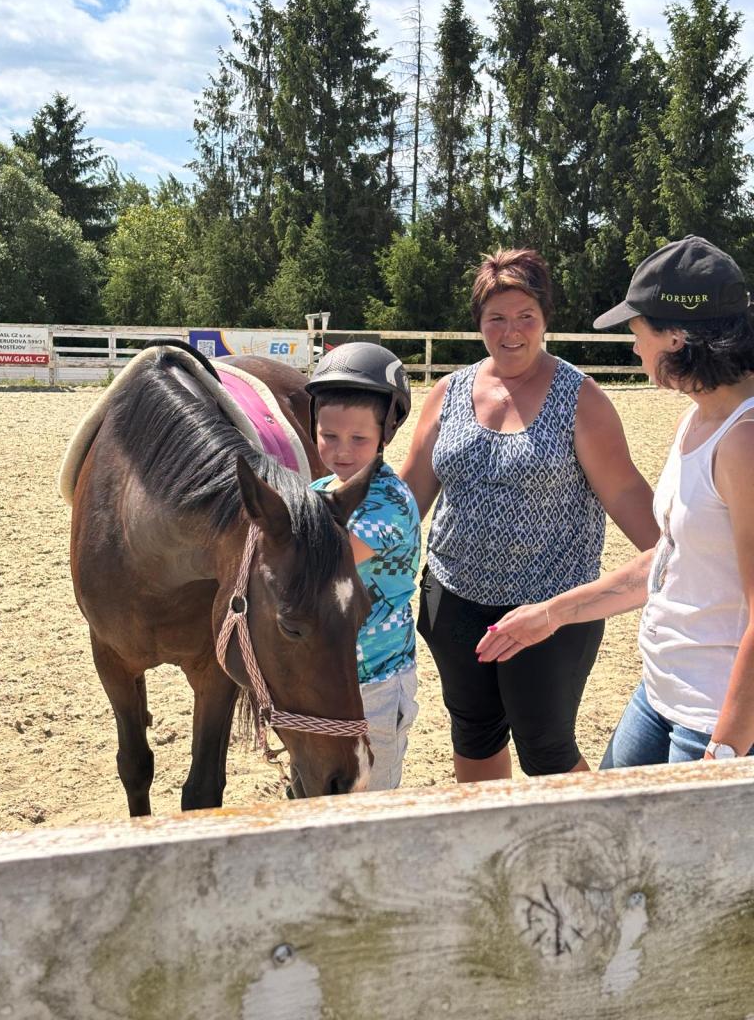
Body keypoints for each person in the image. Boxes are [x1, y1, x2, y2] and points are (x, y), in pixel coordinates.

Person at [477, 235, 754, 768]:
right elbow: (669, 561)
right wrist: (552, 614)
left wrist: (723, 753)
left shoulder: (744, 442)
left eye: (637, 331)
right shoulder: (699, 418)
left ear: (676, 338)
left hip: (712, 718)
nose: (634, 348)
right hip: (660, 693)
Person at [400, 248, 658, 782]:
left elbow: (625, 489)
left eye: (525, 316)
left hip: (549, 609)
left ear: (544, 320)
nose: (511, 331)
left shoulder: (580, 399)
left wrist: (682, 553)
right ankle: (492, 832)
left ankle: (587, 837)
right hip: (453, 597)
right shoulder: (448, 392)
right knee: (473, 732)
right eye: (496, 317)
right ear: (479, 322)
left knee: (546, 748)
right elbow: (410, 494)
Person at [306, 343, 421, 790]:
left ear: (385, 433)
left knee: (372, 800)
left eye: (359, 439)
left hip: (375, 684)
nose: (342, 452)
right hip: (326, 679)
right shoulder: (320, 489)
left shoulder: (388, 504)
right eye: (329, 436)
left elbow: (323, 561)